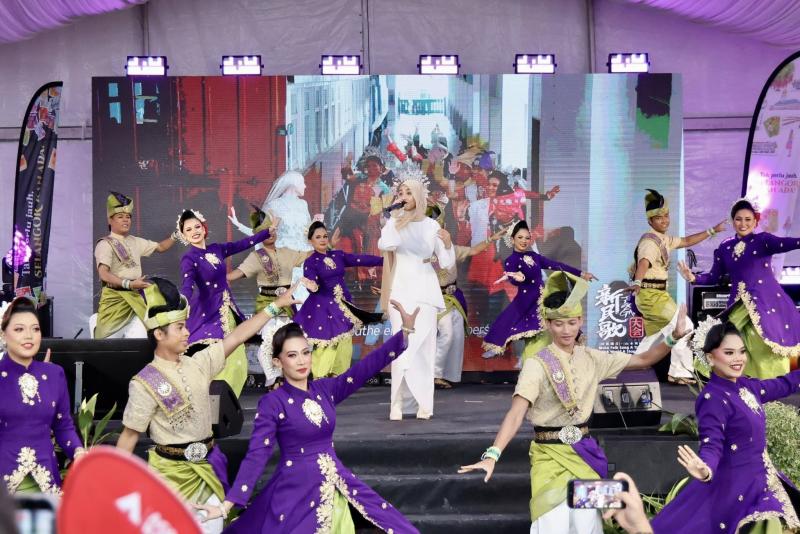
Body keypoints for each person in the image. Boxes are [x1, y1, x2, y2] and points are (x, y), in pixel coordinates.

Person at [458, 271, 689, 534]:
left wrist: (673, 337)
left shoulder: (592, 358)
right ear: (547, 324)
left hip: (585, 455)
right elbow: (516, 413)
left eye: (571, 322)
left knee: (588, 527)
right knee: (552, 525)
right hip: (549, 458)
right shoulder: (537, 364)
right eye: (559, 324)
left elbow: (644, 360)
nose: (566, 330)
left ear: (580, 321)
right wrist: (492, 455)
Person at [194, 302, 421, 533]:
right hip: (296, 490)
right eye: (292, 355)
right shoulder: (273, 403)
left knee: (393, 526)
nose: (302, 361)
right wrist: (227, 505)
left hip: (337, 479)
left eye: (305, 352)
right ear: (277, 361)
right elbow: (257, 455)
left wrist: (404, 333)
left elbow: (364, 369)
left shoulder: (325, 389)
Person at [116, 278, 299, 534]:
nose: (187, 332)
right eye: (180, 327)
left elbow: (238, 336)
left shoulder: (199, 362)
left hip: (207, 470)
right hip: (167, 477)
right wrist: (112, 488)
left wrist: (276, 305)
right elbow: (129, 436)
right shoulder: (145, 382)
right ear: (159, 334)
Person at [651, 319, 800, 533]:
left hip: (762, 481)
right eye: (729, 353)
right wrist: (706, 470)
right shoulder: (712, 398)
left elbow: (784, 384)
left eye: (742, 352)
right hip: (738, 489)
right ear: (710, 358)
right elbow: (712, 443)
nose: (738, 359)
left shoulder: (746, 386)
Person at [678, 198, 800, 378]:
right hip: (738, 305)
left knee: (763, 345)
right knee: (726, 341)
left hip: (766, 303)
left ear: (755, 221)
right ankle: (738, 381)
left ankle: (769, 384)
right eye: (738, 219)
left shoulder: (763, 240)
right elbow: (713, 277)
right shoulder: (725, 247)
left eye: (748, 219)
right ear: (732, 221)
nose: (743, 224)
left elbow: (789, 243)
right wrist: (693, 277)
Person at [378, 166, 455, 420]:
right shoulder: (395, 223)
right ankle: (397, 402)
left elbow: (446, 263)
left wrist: (448, 244)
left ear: (419, 195)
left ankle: (424, 403)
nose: (404, 196)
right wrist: (392, 217)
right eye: (401, 192)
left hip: (425, 289)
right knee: (402, 345)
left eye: (409, 192)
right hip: (401, 289)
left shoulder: (432, 225)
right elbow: (387, 244)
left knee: (424, 347)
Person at [629, 189, 726, 384]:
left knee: (656, 336)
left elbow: (687, 241)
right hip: (651, 296)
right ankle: (679, 372)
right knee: (685, 326)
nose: (664, 220)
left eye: (666, 215)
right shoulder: (650, 241)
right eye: (659, 218)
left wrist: (712, 230)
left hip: (655, 295)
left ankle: (631, 367)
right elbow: (643, 263)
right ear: (650, 221)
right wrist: (637, 282)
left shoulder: (663, 238)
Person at [178, 209, 272, 397]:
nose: (194, 231)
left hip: (226, 308)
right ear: (184, 236)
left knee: (236, 356)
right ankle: (209, 399)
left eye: (197, 227)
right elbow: (187, 285)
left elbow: (244, 244)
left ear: (204, 228)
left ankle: (225, 401)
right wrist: (181, 305)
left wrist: (267, 232)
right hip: (207, 311)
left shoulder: (216, 249)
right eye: (188, 230)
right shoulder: (189, 258)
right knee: (217, 354)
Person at [0, 297, 85, 495]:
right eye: (19, 329)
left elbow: (63, 425)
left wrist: (78, 451)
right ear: (3, 334)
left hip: (47, 480)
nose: (29, 336)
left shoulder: (54, 374)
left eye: (35, 329)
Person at [481, 220, 595, 361]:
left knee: (559, 322)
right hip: (526, 300)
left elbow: (556, 265)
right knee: (507, 322)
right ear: (512, 239)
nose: (524, 241)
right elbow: (512, 278)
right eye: (520, 237)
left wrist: (582, 274)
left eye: (527, 238)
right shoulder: (511, 260)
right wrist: (519, 278)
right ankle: (502, 348)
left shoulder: (534, 256)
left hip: (542, 297)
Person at [227, 207, 310, 384]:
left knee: (294, 342)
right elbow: (236, 274)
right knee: (268, 343)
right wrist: (215, 278)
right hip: (267, 305)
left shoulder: (288, 252)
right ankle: (273, 379)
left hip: (288, 306)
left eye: (272, 230)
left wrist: (321, 242)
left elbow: (310, 254)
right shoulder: (256, 257)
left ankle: (288, 378)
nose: (270, 234)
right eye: (265, 231)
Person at [429, 206, 507, 388]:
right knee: (446, 333)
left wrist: (490, 239)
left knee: (456, 336)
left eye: (439, 227)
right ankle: (433, 375)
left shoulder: (451, 249)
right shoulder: (421, 252)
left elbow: (473, 251)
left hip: (452, 298)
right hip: (432, 299)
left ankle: (448, 376)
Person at [296, 221, 383, 377]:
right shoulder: (311, 262)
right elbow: (311, 281)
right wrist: (311, 285)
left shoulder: (337, 255)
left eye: (325, 236)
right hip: (324, 307)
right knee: (327, 343)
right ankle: (320, 379)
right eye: (318, 237)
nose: (323, 240)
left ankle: (339, 377)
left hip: (343, 306)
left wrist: (383, 260)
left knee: (345, 341)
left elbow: (359, 259)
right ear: (310, 241)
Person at [93, 191, 176, 339]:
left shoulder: (135, 241)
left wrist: (177, 235)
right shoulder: (105, 244)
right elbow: (103, 274)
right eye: (120, 217)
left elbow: (161, 247)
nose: (126, 220)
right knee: (105, 343)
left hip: (135, 299)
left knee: (145, 338)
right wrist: (129, 284)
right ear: (110, 220)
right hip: (114, 301)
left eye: (128, 216)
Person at [261, 170, 312, 251]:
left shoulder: (303, 204)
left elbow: (308, 228)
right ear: (294, 184)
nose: (305, 186)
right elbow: (264, 232)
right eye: (302, 183)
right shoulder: (274, 205)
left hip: (303, 251)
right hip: (282, 252)